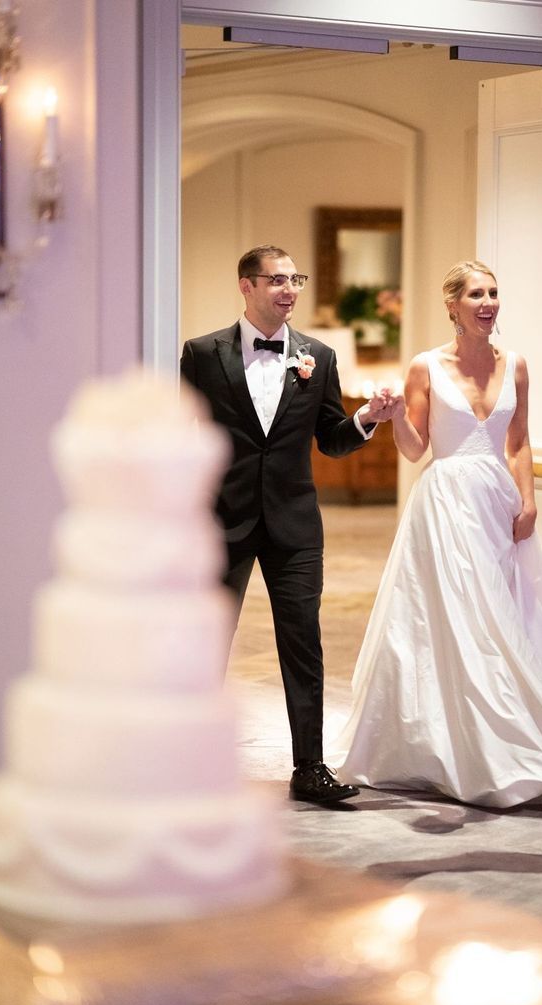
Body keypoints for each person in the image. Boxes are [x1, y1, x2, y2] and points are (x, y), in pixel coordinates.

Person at [328, 259, 542, 808]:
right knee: (460, 621)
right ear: (453, 305)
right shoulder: (426, 366)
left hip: (498, 504)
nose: (488, 303)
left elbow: (519, 442)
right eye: (477, 294)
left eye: (494, 293)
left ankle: (516, 746)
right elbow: (416, 449)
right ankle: (477, 755)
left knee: (508, 619)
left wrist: (528, 500)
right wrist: (391, 419)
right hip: (445, 504)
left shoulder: (516, 365)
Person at [181, 244, 393, 805]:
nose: (289, 289)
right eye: (276, 280)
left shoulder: (317, 357)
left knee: (304, 643)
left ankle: (310, 768)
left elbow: (332, 438)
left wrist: (366, 419)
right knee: (208, 641)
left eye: (295, 279)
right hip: (221, 521)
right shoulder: (202, 354)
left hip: (295, 524)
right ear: (246, 286)